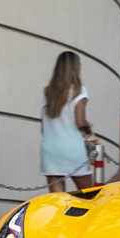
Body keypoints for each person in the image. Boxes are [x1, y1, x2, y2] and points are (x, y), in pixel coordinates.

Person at [39, 51, 97, 192]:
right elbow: (80, 122)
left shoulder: (48, 92)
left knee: (57, 202)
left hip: (50, 148)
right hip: (72, 149)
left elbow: (43, 127)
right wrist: (88, 128)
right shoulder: (79, 91)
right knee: (89, 197)